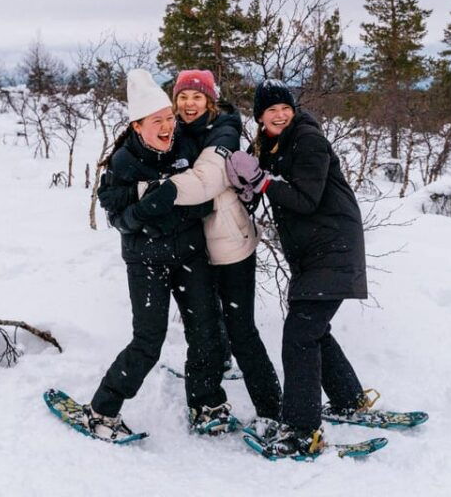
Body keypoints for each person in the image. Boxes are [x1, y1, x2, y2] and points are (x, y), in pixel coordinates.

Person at [83, 69, 231, 441]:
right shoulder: (122, 163)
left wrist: (163, 203)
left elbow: (203, 202)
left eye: (169, 119)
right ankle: (103, 408)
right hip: (146, 260)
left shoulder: (186, 148)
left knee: (206, 331)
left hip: (190, 254)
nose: (167, 127)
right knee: (148, 341)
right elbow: (118, 217)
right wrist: (148, 214)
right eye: (157, 121)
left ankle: (206, 402)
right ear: (137, 126)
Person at [225, 80, 371, 457]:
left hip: (333, 248)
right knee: (312, 328)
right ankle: (349, 399)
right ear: (260, 116)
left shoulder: (307, 139)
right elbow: (266, 187)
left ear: (293, 109)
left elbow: (305, 199)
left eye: (284, 108)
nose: (279, 114)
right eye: (270, 110)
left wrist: (261, 181)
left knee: (299, 335)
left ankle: (303, 432)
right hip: (314, 254)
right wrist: (249, 187)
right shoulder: (274, 145)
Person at [153, 69, 282, 423]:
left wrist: (145, 195)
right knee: (204, 327)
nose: (189, 104)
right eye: (182, 97)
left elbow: (204, 183)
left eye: (197, 97)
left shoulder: (224, 129)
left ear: (210, 100)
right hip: (193, 246)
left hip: (230, 245)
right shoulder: (175, 132)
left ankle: (273, 409)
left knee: (241, 330)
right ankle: (206, 401)